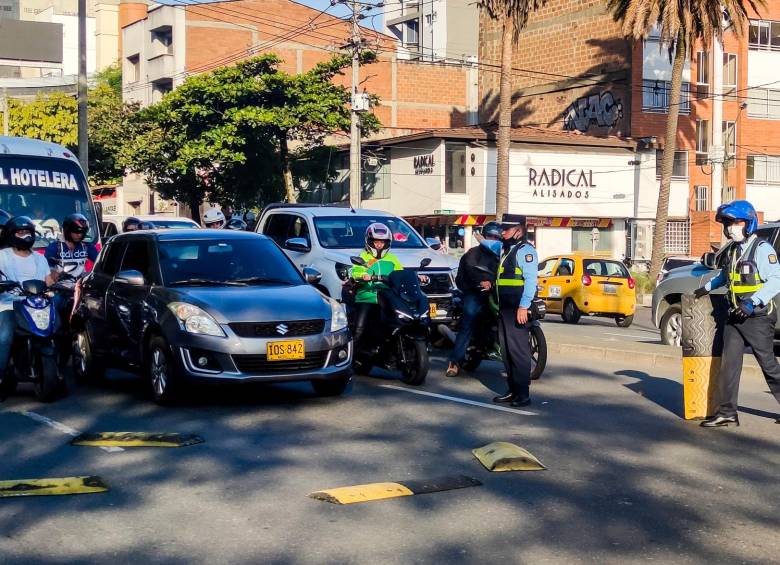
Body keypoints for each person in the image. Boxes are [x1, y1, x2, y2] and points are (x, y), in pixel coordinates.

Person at [694, 200, 780, 427]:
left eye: (736, 223)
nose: (730, 228)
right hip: (735, 315)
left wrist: (752, 302)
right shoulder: (732, 250)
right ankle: (727, 413)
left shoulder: (762, 249)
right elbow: (725, 276)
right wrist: (706, 288)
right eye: (727, 223)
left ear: (748, 224)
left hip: (758, 317)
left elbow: (776, 280)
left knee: (769, 365)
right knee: (729, 365)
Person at [0, 216, 53, 393]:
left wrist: (56, 286)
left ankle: (57, 371)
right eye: (21, 232)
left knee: (56, 329)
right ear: (11, 235)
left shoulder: (40, 258)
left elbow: (48, 281)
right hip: (9, 303)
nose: (25, 236)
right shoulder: (2, 256)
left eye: (28, 232)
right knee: (5, 336)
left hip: (36, 303)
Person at [493, 214, 538, 408]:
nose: (502, 232)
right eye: (502, 229)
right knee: (507, 351)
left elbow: (531, 280)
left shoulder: (525, 251)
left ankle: (522, 394)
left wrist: (524, 306)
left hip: (517, 308)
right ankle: (512, 390)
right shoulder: (507, 250)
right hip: (505, 308)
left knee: (519, 352)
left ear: (519, 230)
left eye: (507, 229)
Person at [446, 221, 502, 377]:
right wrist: (480, 281)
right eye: (490, 236)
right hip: (475, 292)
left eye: (497, 237)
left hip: (496, 293)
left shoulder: (501, 254)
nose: (493, 239)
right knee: (468, 320)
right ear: (484, 236)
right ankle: (454, 362)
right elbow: (470, 270)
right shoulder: (473, 253)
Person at [350, 223, 403, 353]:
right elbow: (355, 271)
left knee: (397, 323)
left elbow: (400, 273)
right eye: (376, 242)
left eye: (382, 242)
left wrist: (417, 277)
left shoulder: (392, 259)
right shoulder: (363, 257)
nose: (379, 245)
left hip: (388, 298)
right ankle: (351, 356)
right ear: (369, 241)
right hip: (366, 297)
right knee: (359, 329)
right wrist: (362, 276)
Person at [45, 214, 99, 281]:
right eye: (76, 232)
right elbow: (46, 268)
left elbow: (100, 262)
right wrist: (54, 273)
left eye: (82, 232)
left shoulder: (87, 247)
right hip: (60, 285)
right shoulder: (54, 247)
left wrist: (89, 275)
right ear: (67, 231)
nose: (80, 235)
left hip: (80, 284)